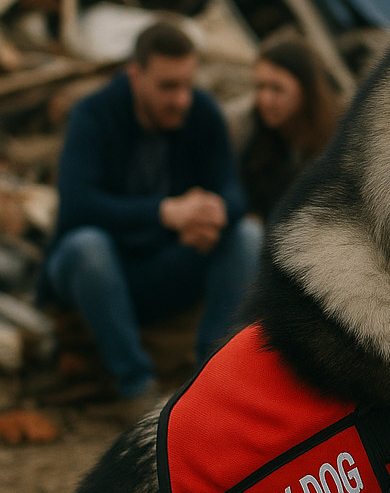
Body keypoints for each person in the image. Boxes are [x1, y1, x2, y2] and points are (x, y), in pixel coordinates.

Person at [44, 20, 260, 411]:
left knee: (246, 236)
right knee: (87, 246)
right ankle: (136, 388)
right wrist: (165, 213)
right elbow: (76, 205)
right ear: (135, 76)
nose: (180, 99)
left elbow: (233, 194)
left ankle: (209, 379)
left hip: (168, 263)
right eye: (167, 87)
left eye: (186, 85)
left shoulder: (201, 112)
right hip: (100, 274)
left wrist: (210, 215)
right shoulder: (92, 116)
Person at [238, 38, 340, 221]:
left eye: (277, 89)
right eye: (261, 87)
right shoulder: (259, 140)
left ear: (305, 91)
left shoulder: (336, 144)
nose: (265, 100)